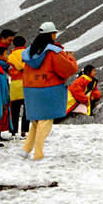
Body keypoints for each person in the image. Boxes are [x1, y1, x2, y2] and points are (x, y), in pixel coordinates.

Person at [21, 21, 78, 160]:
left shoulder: (29, 52)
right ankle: (38, 153)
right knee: (45, 122)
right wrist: (71, 57)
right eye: (54, 33)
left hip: (31, 89)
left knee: (36, 121)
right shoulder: (53, 52)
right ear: (51, 35)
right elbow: (68, 70)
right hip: (48, 89)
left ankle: (26, 149)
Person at [7, 35, 29, 138]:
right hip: (27, 84)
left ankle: (13, 131)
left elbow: (9, 71)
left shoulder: (10, 57)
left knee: (14, 110)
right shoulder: (28, 53)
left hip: (15, 86)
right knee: (27, 110)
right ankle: (24, 131)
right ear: (24, 44)